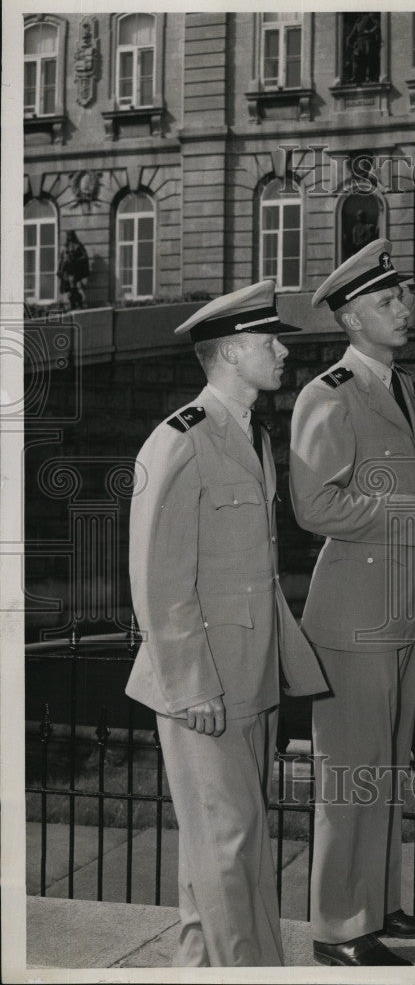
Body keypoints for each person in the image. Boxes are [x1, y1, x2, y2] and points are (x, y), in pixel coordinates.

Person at [289, 239, 415, 966]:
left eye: (401, 296)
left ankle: (378, 906)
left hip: (400, 613)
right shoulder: (327, 393)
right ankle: (337, 929)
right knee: (351, 776)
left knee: (387, 769)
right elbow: (313, 505)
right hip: (352, 619)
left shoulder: (395, 385)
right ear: (349, 317)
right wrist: (412, 505)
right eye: (385, 302)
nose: (403, 308)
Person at [125, 280, 327, 967]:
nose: (281, 353)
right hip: (205, 682)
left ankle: (197, 969)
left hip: (251, 672)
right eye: (269, 341)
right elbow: (158, 580)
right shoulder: (179, 440)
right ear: (234, 352)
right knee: (230, 840)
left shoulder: (252, 435)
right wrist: (194, 686)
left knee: (221, 842)